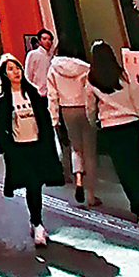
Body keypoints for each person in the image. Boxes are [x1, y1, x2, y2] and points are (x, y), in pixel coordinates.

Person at [0, 53, 64, 247]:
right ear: (4, 74)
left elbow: (44, 118)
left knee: (35, 185)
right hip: (19, 148)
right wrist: (5, 148)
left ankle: (36, 222)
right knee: (31, 184)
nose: (15, 72)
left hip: (37, 145)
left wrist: (48, 141)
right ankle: (37, 222)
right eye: (10, 69)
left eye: (17, 68)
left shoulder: (31, 92)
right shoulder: (3, 97)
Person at [86, 41, 139, 228]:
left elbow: (90, 109)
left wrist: (96, 124)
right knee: (136, 165)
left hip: (111, 128)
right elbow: (138, 104)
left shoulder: (92, 79)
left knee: (123, 168)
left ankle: (137, 206)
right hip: (131, 125)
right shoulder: (124, 76)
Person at [46, 44, 97, 206]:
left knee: (76, 148)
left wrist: (54, 119)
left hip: (67, 110)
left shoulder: (53, 69)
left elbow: (52, 96)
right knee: (89, 151)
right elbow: (91, 90)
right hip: (85, 108)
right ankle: (90, 194)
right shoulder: (85, 68)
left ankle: (78, 180)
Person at [24, 28, 55, 95]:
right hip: (38, 93)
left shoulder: (53, 57)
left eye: (49, 39)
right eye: (44, 39)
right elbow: (27, 75)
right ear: (39, 41)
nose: (47, 41)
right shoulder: (32, 54)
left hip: (51, 93)